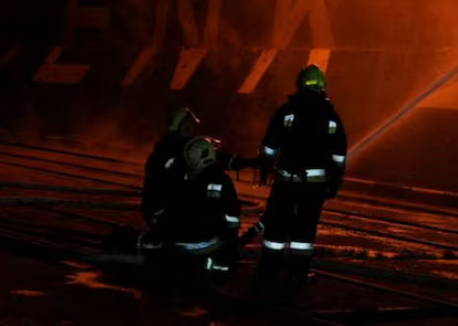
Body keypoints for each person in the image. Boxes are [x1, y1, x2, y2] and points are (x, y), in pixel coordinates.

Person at [256, 64, 348, 282]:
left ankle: (267, 270)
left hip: (285, 182)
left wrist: (264, 169)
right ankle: (298, 272)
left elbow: (269, 145)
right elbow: (339, 155)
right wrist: (335, 182)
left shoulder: (287, 111)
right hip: (314, 187)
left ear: (299, 85)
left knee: (276, 227)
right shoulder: (331, 116)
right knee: (304, 231)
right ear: (323, 86)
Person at [138, 136, 243, 283]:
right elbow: (232, 219)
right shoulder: (222, 181)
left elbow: (164, 211)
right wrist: (231, 244)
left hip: (176, 242)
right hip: (206, 244)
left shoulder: (179, 178)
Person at [141, 108, 198, 229]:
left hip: (160, 210)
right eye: (189, 125)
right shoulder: (174, 151)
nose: (192, 129)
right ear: (182, 127)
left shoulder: (169, 146)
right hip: (165, 212)